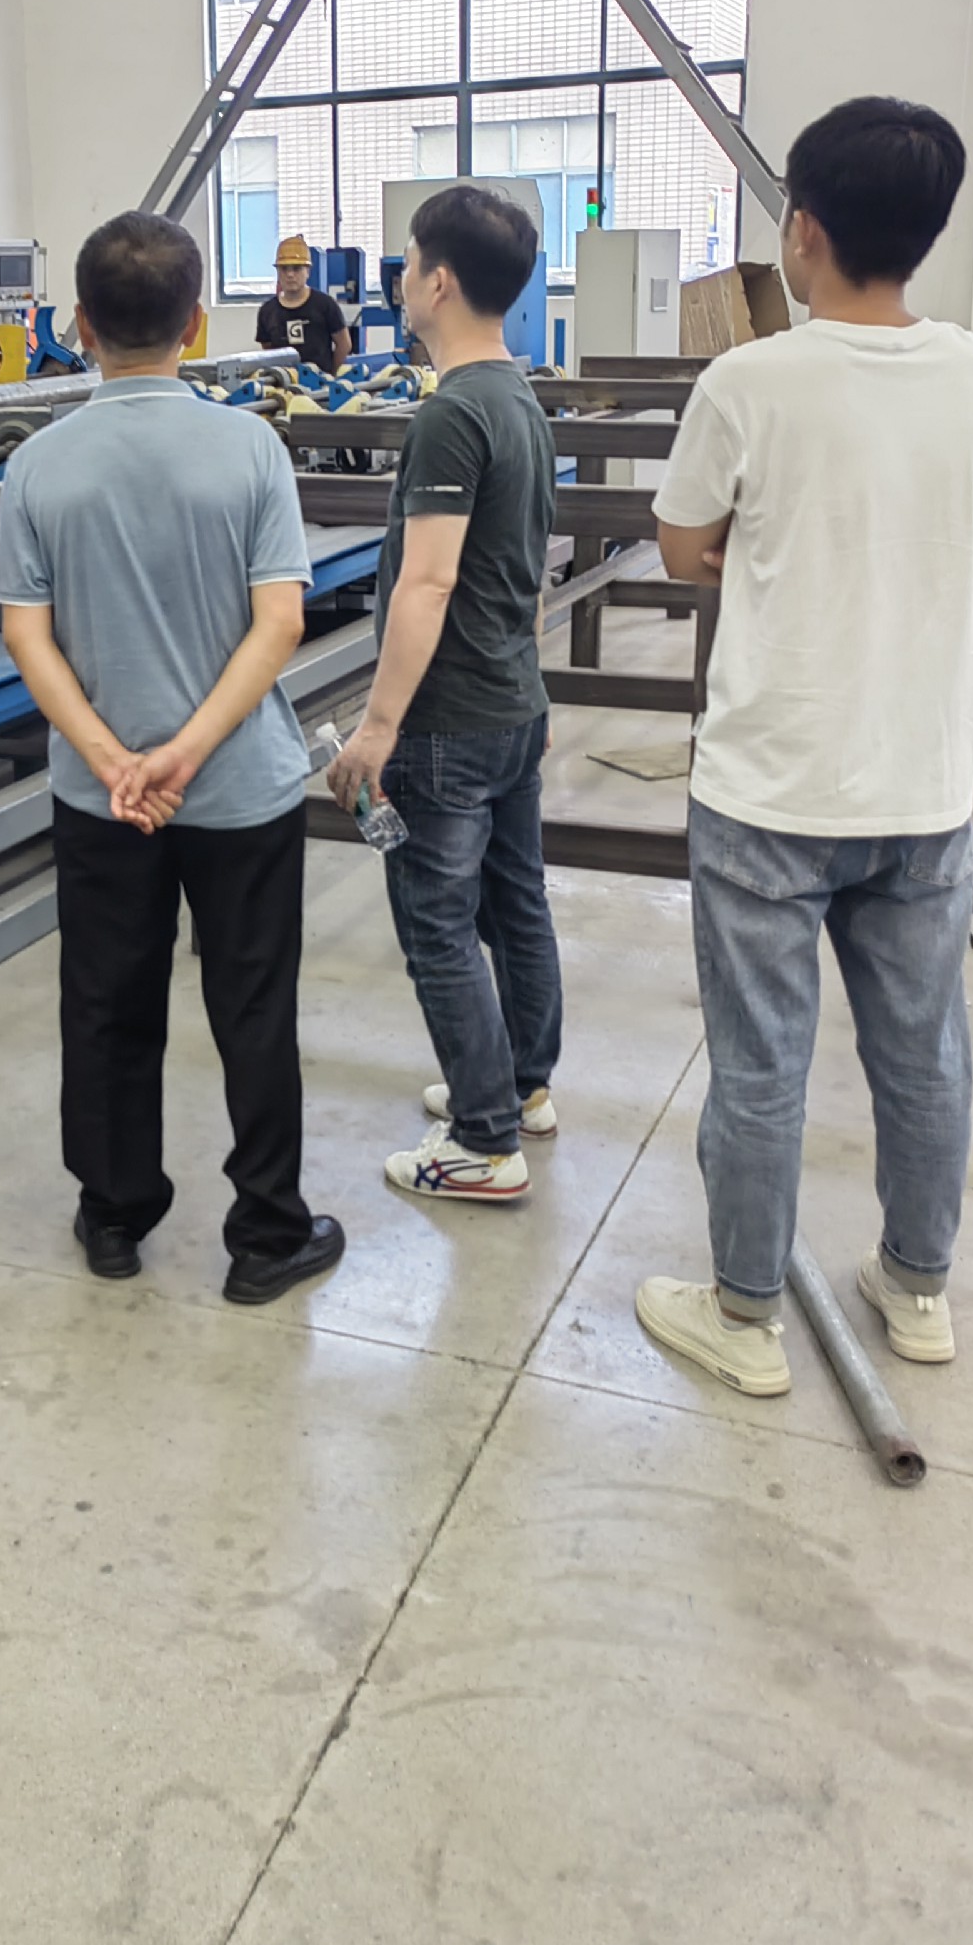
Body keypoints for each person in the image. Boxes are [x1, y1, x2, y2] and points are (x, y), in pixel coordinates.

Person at [636, 97, 973, 1398]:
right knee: (923, 1053)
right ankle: (918, 1290)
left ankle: (746, 1315)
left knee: (762, 1064)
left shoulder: (750, 382)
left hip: (770, 783)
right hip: (923, 783)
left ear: (802, 230)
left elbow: (682, 549)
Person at [0, 211, 345, 1304]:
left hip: (103, 798)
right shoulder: (249, 449)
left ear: (80, 325)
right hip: (237, 791)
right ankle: (267, 1234)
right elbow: (279, 623)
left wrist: (116, 760)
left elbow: (27, 636)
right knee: (253, 1006)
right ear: (196, 324)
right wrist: (189, 754)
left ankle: (113, 1213)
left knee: (107, 1002)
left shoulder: (37, 465)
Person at [330, 185, 562, 1205]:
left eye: (411, 261)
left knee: (437, 924)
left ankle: (482, 1139)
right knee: (516, 904)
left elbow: (426, 584)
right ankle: (520, 1086)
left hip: (449, 721)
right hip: (513, 702)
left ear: (441, 282)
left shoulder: (454, 413)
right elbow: (522, 566)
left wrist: (378, 728)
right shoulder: (518, 398)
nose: (401, 279)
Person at [256, 236, 352, 372]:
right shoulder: (267, 311)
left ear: (307, 271)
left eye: (296, 269)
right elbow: (268, 350)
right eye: (284, 269)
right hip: (283, 382)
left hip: (320, 381)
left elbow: (344, 344)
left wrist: (332, 374)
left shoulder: (325, 305)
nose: (290, 275)